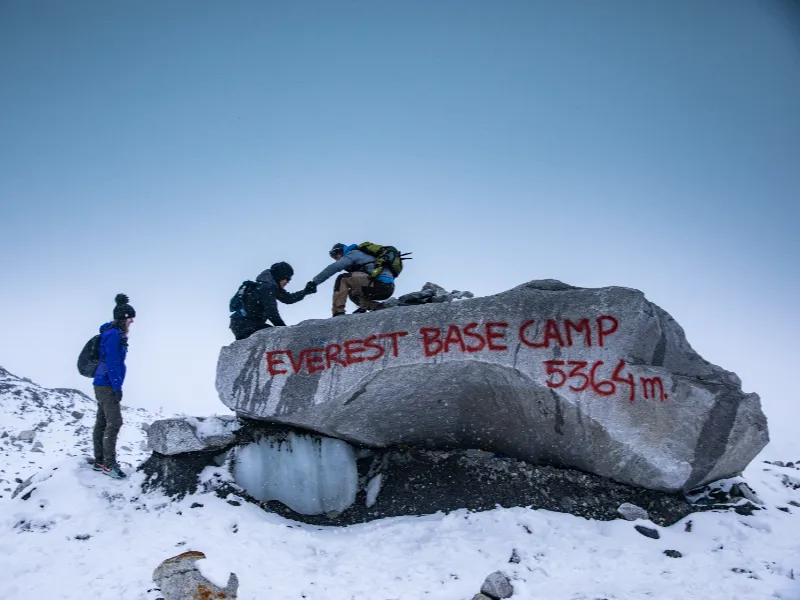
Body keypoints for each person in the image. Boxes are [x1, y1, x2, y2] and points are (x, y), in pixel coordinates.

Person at [91, 294, 135, 479]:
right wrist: (117, 387)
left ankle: (100, 461)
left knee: (102, 422)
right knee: (114, 422)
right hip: (107, 384)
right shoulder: (113, 335)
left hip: (103, 383)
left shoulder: (112, 333)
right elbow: (112, 362)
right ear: (124, 318)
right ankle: (109, 464)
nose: (132, 321)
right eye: (130, 318)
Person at [229, 261, 316, 340]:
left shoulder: (268, 285)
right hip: (246, 325)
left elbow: (288, 299)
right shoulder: (268, 287)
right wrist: (285, 331)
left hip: (242, 324)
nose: (287, 282)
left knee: (271, 336)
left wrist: (305, 291)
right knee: (274, 337)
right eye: (287, 278)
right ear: (281, 275)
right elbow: (272, 312)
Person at [311, 243, 395, 317]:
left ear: (340, 251)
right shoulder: (360, 257)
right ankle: (379, 307)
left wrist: (314, 282)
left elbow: (334, 267)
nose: (336, 259)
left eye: (335, 256)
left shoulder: (353, 253)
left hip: (380, 284)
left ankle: (338, 313)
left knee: (342, 278)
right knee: (353, 294)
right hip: (387, 289)